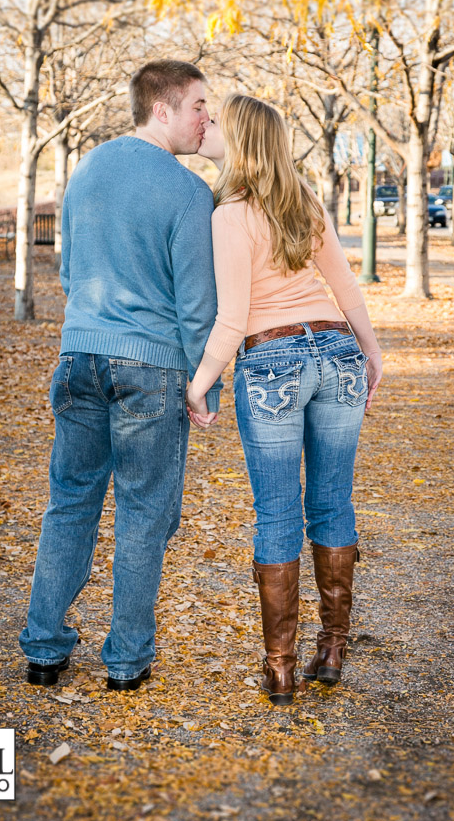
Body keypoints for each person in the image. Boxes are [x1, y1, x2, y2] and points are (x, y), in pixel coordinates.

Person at [19, 60, 221, 691]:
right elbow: (198, 305)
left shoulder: (85, 173)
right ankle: (127, 662)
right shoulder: (189, 192)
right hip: (151, 367)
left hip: (78, 357)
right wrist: (204, 386)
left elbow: (69, 273)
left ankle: (45, 650)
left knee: (70, 503)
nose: (206, 119)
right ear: (161, 109)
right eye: (197, 106)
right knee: (145, 512)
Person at [188, 94, 382, 705]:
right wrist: (372, 353)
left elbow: (233, 317)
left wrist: (197, 384)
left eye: (215, 120)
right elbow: (344, 284)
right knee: (331, 501)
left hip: (272, 360)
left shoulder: (230, 214)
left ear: (241, 141)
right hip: (338, 352)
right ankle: (332, 649)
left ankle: (280, 668)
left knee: (277, 513)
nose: (207, 126)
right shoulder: (303, 200)